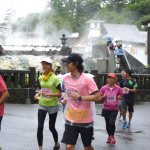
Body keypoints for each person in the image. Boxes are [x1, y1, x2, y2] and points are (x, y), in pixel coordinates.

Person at [61, 53, 101, 150]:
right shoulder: (65, 78)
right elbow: (67, 91)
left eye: (68, 63)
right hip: (71, 117)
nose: (66, 65)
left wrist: (80, 98)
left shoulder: (87, 79)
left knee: (87, 147)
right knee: (69, 146)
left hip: (85, 118)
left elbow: (98, 97)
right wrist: (65, 99)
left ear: (76, 64)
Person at [34, 58, 62, 150]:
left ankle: (56, 144)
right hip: (42, 104)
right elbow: (43, 89)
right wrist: (37, 94)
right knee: (40, 126)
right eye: (43, 65)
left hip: (53, 106)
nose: (44, 66)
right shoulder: (40, 78)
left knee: (51, 127)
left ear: (50, 66)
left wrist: (48, 94)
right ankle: (40, 148)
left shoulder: (55, 78)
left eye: (46, 64)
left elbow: (59, 94)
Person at [100, 73, 123, 144]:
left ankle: (112, 136)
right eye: (108, 78)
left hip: (114, 108)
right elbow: (99, 97)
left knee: (112, 123)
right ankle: (109, 136)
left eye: (111, 78)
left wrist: (120, 97)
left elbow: (122, 96)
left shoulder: (118, 88)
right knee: (107, 124)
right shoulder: (104, 88)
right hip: (106, 108)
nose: (109, 79)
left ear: (114, 79)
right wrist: (103, 97)